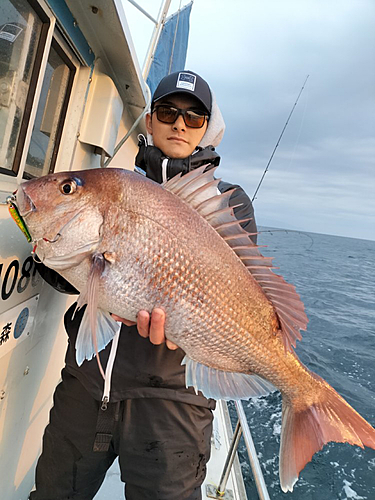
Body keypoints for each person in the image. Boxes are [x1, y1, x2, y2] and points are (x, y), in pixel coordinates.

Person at [30, 71, 257, 500]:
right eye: (169, 112)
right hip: (87, 382)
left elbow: (230, 297)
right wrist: (54, 248)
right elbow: (62, 276)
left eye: (194, 118)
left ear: (208, 129)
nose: (179, 124)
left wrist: (184, 323)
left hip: (174, 403)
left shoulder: (228, 202)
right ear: (149, 122)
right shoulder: (109, 187)